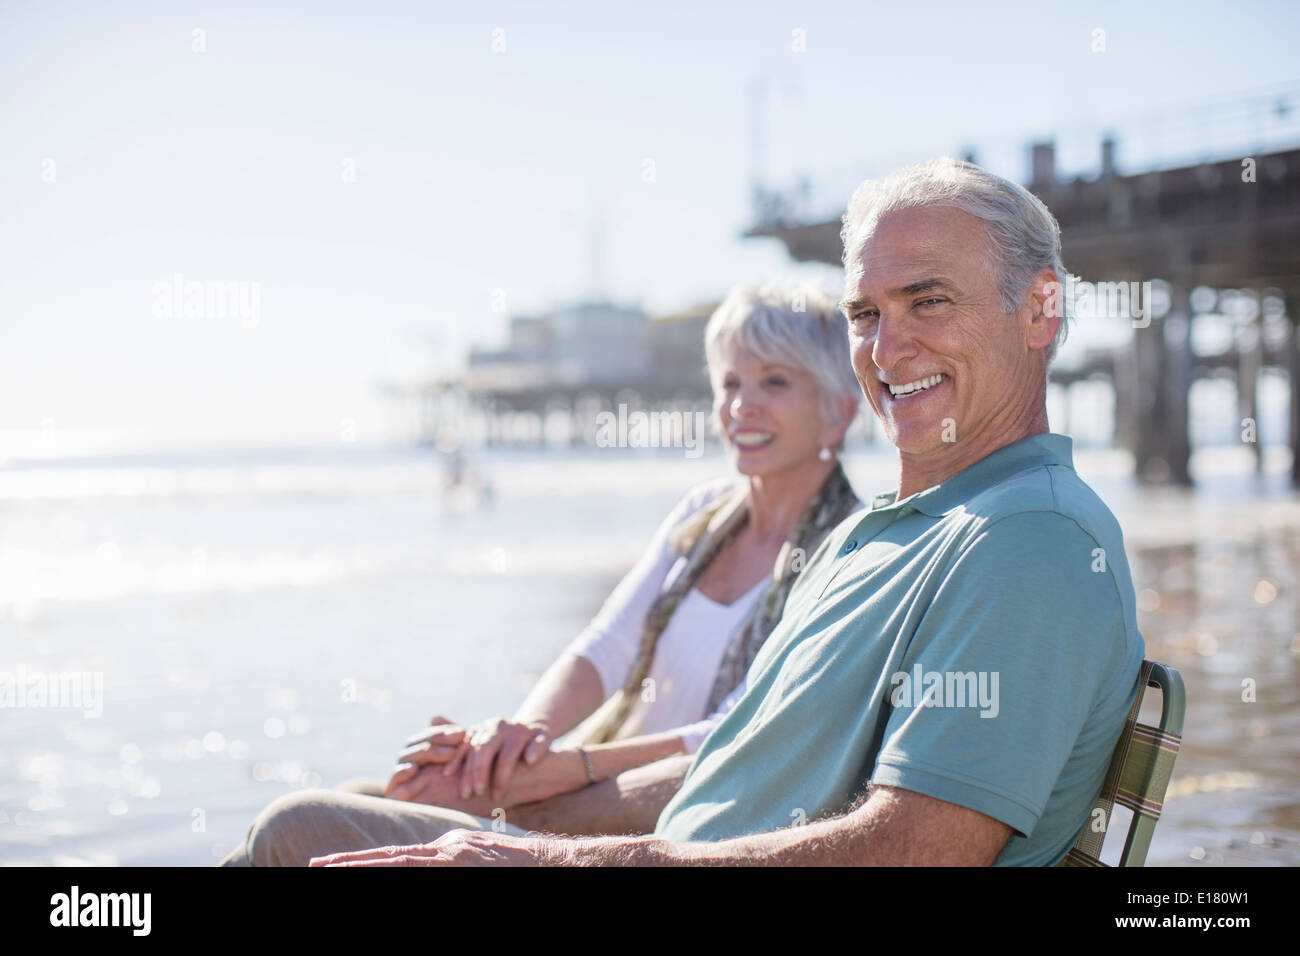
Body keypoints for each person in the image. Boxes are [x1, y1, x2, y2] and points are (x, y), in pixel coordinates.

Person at [311, 158, 1147, 868]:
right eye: (866, 314)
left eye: (928, 302)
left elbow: (913, 846)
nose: (887, 351)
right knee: (345, 815)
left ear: (1041, 309)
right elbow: (730, 760)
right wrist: (516, 799)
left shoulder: (1029, 541)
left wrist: (559, 859)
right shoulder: (877, 535)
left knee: (296, 831)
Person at [220, 282, 864, 866]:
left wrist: (562, 769)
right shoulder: (703, 514)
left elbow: (739, 729)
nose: (741, 407)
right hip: (582, 786)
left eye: (774, 382)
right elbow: (604, 648)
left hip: (647, 825)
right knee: (351, 800)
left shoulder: (848, 554)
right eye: (730, 383)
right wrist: (516, 743)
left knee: (298, 823)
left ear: (838, 411)